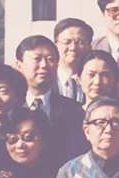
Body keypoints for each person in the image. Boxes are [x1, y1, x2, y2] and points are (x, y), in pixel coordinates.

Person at [16, 34, 90, 164]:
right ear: (19, 65)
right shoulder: (11, 108)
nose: (44, 65)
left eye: (50, 59)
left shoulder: (74, 110)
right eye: (37, 59)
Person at [53, 18, 93, 103]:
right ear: (56, 47)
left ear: (90, 47)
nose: (73, 48)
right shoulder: (47, 80)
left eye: (80, 42)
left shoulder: (95, 81)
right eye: (67, 42)